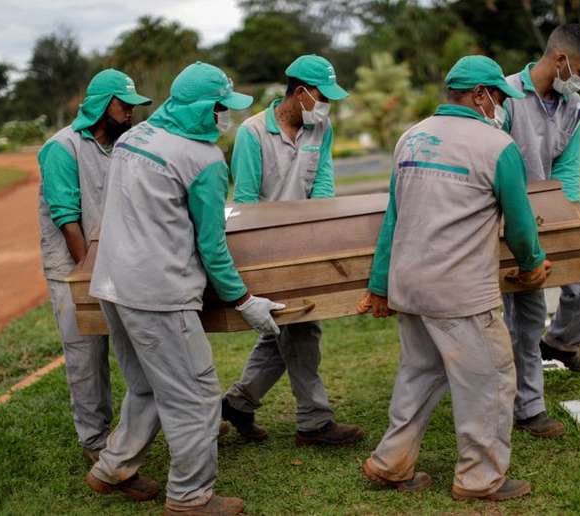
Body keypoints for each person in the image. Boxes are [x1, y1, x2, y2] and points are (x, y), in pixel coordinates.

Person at [84, 62, 284, 516]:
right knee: (194, 397)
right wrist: (244, 300)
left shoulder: (133, 139)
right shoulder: (205, 161)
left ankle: (112, 468)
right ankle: (191, 497)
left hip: (112, 284)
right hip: (159, 294)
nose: (223, 117)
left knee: (147, 385)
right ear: (199, 108)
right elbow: (212, 246)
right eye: (219, 108)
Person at [357, 55, 550, 502]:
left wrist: (380, 284)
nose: (501, 106)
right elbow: (520, 224)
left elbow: (393, 218)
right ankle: (480, 479)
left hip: (411, 284)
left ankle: (391, 463)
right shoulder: (497, 146)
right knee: (491, 381)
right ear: (482, 95)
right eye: (499, 96)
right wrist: (531, 263)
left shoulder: (411, 137)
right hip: (461, 291)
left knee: (420, 374)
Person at [222, 54, 364, 446]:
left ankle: (239, 403)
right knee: (302, 329)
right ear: (300, 92)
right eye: (323, 96)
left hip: (304, 241)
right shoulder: (252, 134)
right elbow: (247, 200)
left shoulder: (322, 127)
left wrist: (319, 234)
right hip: (264, 248)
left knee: (283, 330)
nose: (327, 105)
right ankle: (314, 422)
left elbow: (323, 183)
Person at [36, 68, 151, 464]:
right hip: (73, 267)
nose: (131, 113)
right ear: (104, 105)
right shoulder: (62, 148)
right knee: (86, 355)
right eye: (125, 105)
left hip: (117, 264)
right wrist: (88, 275)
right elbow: (67, 217)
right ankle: (95, 439)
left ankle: (165, 419)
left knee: (142, 343)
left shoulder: (122, 146)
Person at [502, 24, 580, 439]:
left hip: (549, 214)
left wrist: (566, 225)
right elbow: (492, 161)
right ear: (561, 59)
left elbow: (567, 170)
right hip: (508, 219)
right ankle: (528, 408)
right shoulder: (506, 95)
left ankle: (560, 344)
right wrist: (519, 224)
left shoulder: (572, 103)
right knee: (525, 310)